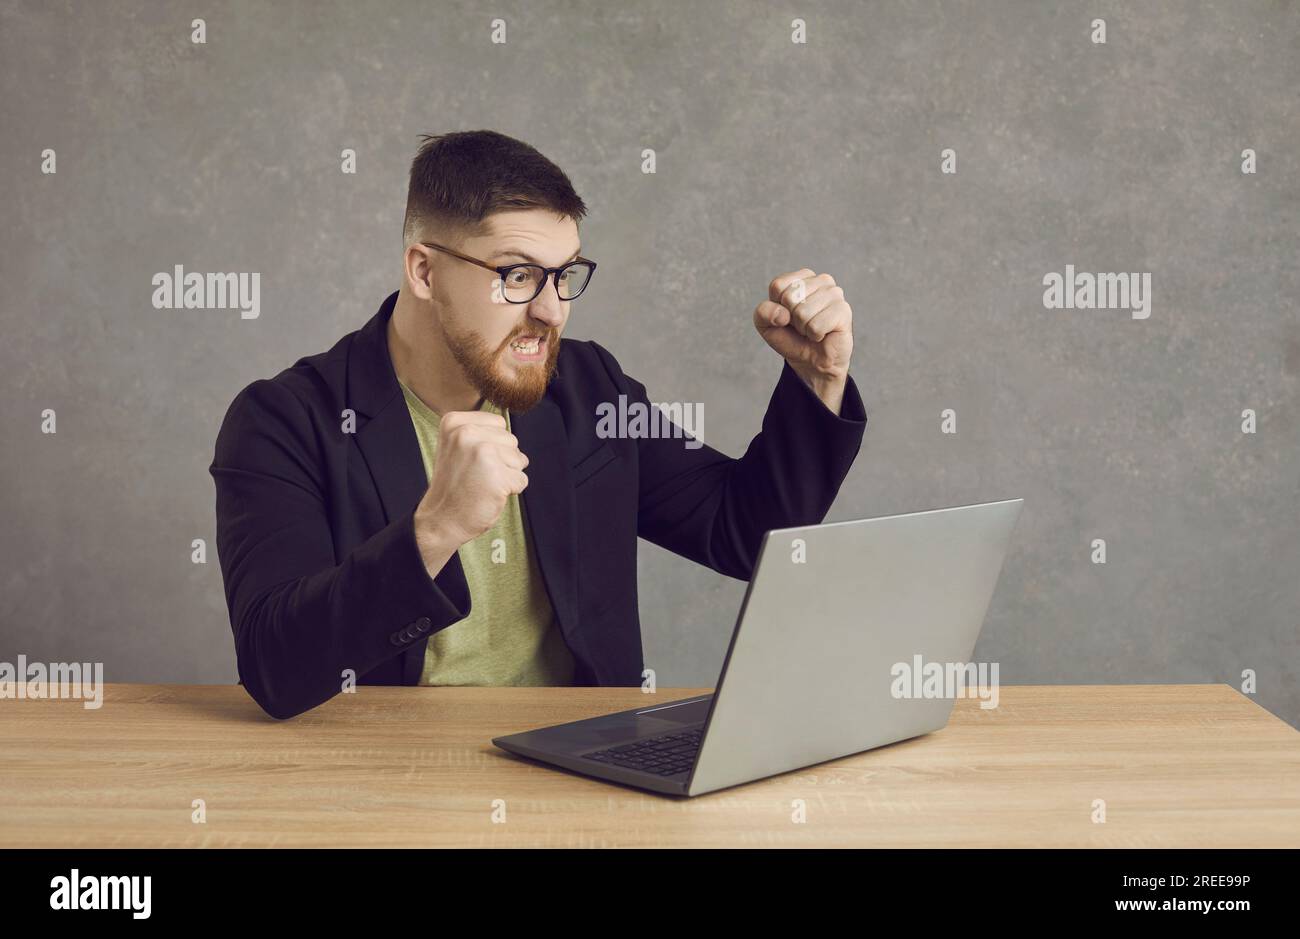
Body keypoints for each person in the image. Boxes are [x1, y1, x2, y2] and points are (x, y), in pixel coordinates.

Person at [209, 129, 868, 720]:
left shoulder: (587, 390)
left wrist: (817, 382)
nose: (552, 310)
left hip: (579, 773)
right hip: (389, 777)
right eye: (518, 275)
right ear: (424, 270)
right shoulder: (284, 423)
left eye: (565, 275)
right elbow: (275, 665)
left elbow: (742, 530)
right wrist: (432, 531)